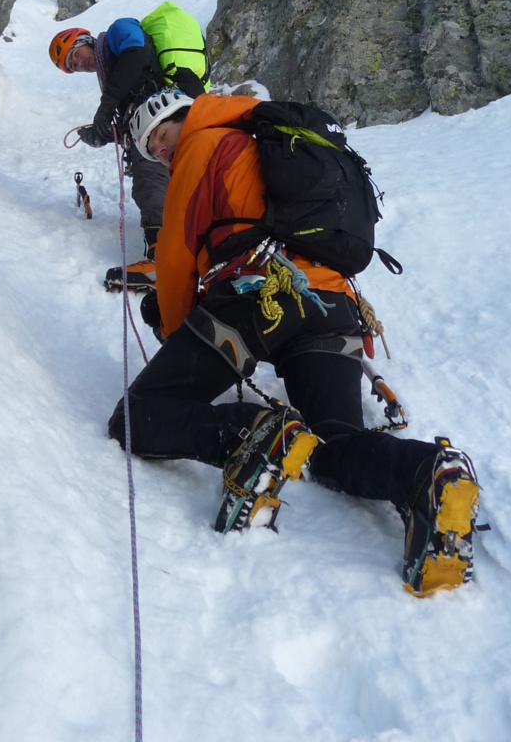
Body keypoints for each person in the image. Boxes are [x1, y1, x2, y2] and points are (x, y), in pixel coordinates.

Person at [107, 89, 482, 596]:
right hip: (333, 306)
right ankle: (425, 472)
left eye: (163, 137)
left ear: (183, 119)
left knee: (136, 416)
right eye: (154, 150)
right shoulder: (266, 136)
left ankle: (253, 435)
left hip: (255, 294)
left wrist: (173, 331)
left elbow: (175, 258)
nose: (164, 151)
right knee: (332, 443)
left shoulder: (204, 142)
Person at [49, 15, 207, 289]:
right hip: (166, 113)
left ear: (84, 40)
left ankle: (160, 258)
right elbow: (129, 122)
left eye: (74, 55)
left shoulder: (118, 31)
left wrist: (106, 105)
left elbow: (136, 55)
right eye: (72, 66)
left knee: (149, 178)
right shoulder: (112, 73)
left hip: (164, 113)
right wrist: (102, 134)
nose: (78, 64)